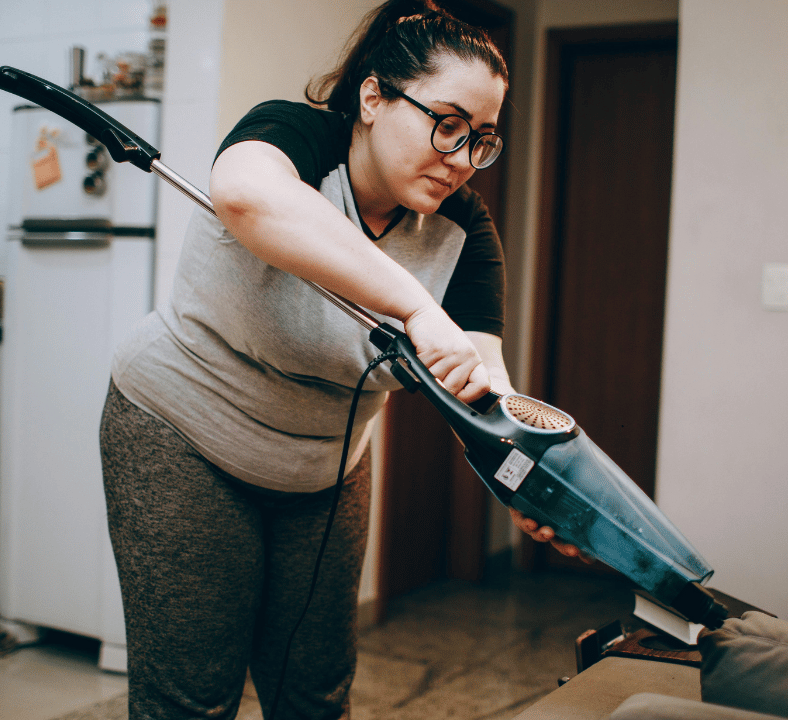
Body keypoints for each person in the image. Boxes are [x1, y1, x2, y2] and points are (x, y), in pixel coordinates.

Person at [100, 2, 578, 718]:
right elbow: (244, 193)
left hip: (325, 464)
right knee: (190, 704)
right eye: (446, 123)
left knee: (315, 698)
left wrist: (533, 487)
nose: (459, 158)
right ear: (373, 96)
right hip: (181, 434)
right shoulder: (295, 136)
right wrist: (417, 308)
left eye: (481, 140)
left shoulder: (462, 231)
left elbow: (482, 386)